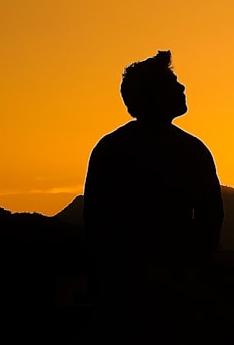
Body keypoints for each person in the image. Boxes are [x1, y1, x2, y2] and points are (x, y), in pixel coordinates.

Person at [83, 50, 223, 312]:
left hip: (137, 283)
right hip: (147, 286)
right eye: (171, 83)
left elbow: (95, 223)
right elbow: (210, 219)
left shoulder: (110, 148)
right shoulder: (189, 150)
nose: (181, 87)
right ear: (151, 95)